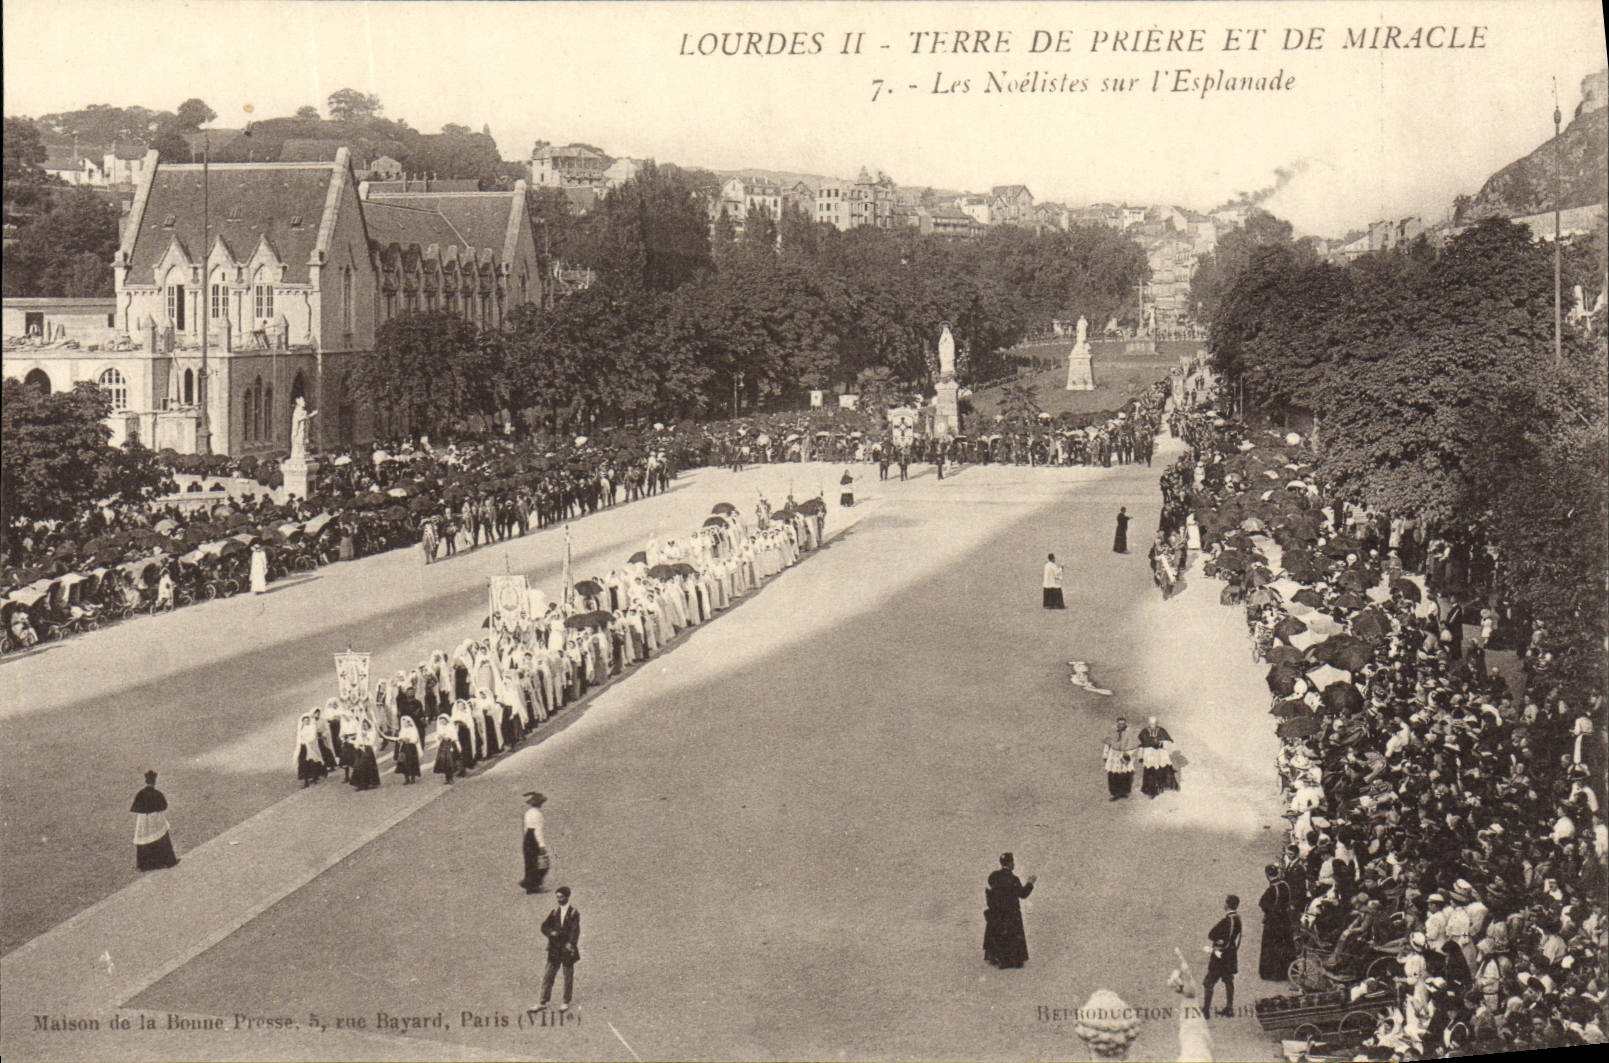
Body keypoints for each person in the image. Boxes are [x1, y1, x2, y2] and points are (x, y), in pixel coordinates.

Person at [983, 853, 1036, 969]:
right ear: (1010, 863)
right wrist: (1030, 883)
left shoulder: (994, 877)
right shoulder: (1013, 879)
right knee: (1012, 937)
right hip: (1011, 915)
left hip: (997, 914)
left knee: (1000, 936)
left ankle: (998, 958)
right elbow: (1023, 894)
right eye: (1012, 862)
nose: (1014, 864)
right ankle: (1012, 960)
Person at [533, 886, 581, 1012]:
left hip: (566, 949)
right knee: (548, 975)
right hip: (554, 949)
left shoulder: (573, 913)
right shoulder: (555, 912)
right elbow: (544, 926)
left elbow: (575, 930)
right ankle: (543, 1001)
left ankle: (566, 1001)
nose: (559, 900)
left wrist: (571, 944)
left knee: (567, 976)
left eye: (561, 897)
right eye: (557, 897)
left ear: (567, 897)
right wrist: (551, 933)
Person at [1202, 895, 1242, 1018]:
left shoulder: (1226, 921)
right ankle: (1229, 1008)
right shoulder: (1237, 919)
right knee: (1228, 980)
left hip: (1220, 956)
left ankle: (1206, 1010)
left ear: (1228, 905)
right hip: (1230, 955)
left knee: (1208, 982)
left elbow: (1212, 934)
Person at [130, 770, 180, 871]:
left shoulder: (140, 793)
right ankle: (168, 861)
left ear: (146, 781)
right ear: (154, 781)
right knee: (162, 837)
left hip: (143, 819)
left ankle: (145, 865)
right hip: (156, 818)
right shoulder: (157, 793)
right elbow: (164, 806)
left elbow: (135, 807)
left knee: (144, 839)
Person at [1258, 864, 1297, 981]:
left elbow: (1263, 904)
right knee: (1286, 942)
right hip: (1284, 918)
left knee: (1271, 945)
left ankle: (1271, 973)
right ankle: (1287, 970)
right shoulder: (1285, 885)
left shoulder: (1271, 889)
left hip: (1273, 921)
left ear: (1267, 875)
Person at [1137, 715, 1179, 797]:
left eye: (1154, 724)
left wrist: (1161, 743)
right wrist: (1141, 755)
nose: (1153, 725)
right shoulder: (1144, 731)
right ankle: (1151, 789)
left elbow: (1169, 740)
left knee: (1162, 769)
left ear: (1157, 723)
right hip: (1149, 754)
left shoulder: (1161, 730)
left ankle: (1163, 786)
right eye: (1151, 724)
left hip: (1160, 754)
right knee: (1150, 771)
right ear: (1149, 724)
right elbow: (1143, 742)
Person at [1102, 717, 1139, 800]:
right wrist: (1105, 754)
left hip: (1124, 754)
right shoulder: (1112, 733)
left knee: (1125, 774)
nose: (1120, 725)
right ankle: (1114, 793)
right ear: (1117, 724)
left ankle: (1124, 792)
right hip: (1113, 755)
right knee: (1113, 774)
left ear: (1125, 724)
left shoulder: (1129, 734)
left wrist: (1128, 754)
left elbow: (1133, 746)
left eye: (1122, 724)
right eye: (1119, 724)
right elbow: (1107, 744)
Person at [521, 792, 551, 894]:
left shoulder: (528, 813)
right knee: (542, 864)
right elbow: (538, 830)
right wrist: (541, 845)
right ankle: (535, 885)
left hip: (527, 838)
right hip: (534, 838)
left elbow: (525, 828)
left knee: (530, 863)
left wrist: (526, 840)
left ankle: (529, 886)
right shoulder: (538, 814)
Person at [432, 713, 459, 783]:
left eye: (443, 720)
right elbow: (437, 736)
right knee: (444, 761)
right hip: (443, 745)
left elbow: (453, 736)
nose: (442, 722)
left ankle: (451, 778)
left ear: (446, 720)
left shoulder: (450, 727)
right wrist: (439, 737)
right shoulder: (440, 728)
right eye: (441, 721)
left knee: (450, 761)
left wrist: (447, 737)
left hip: (450, 744)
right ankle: (447, 778)